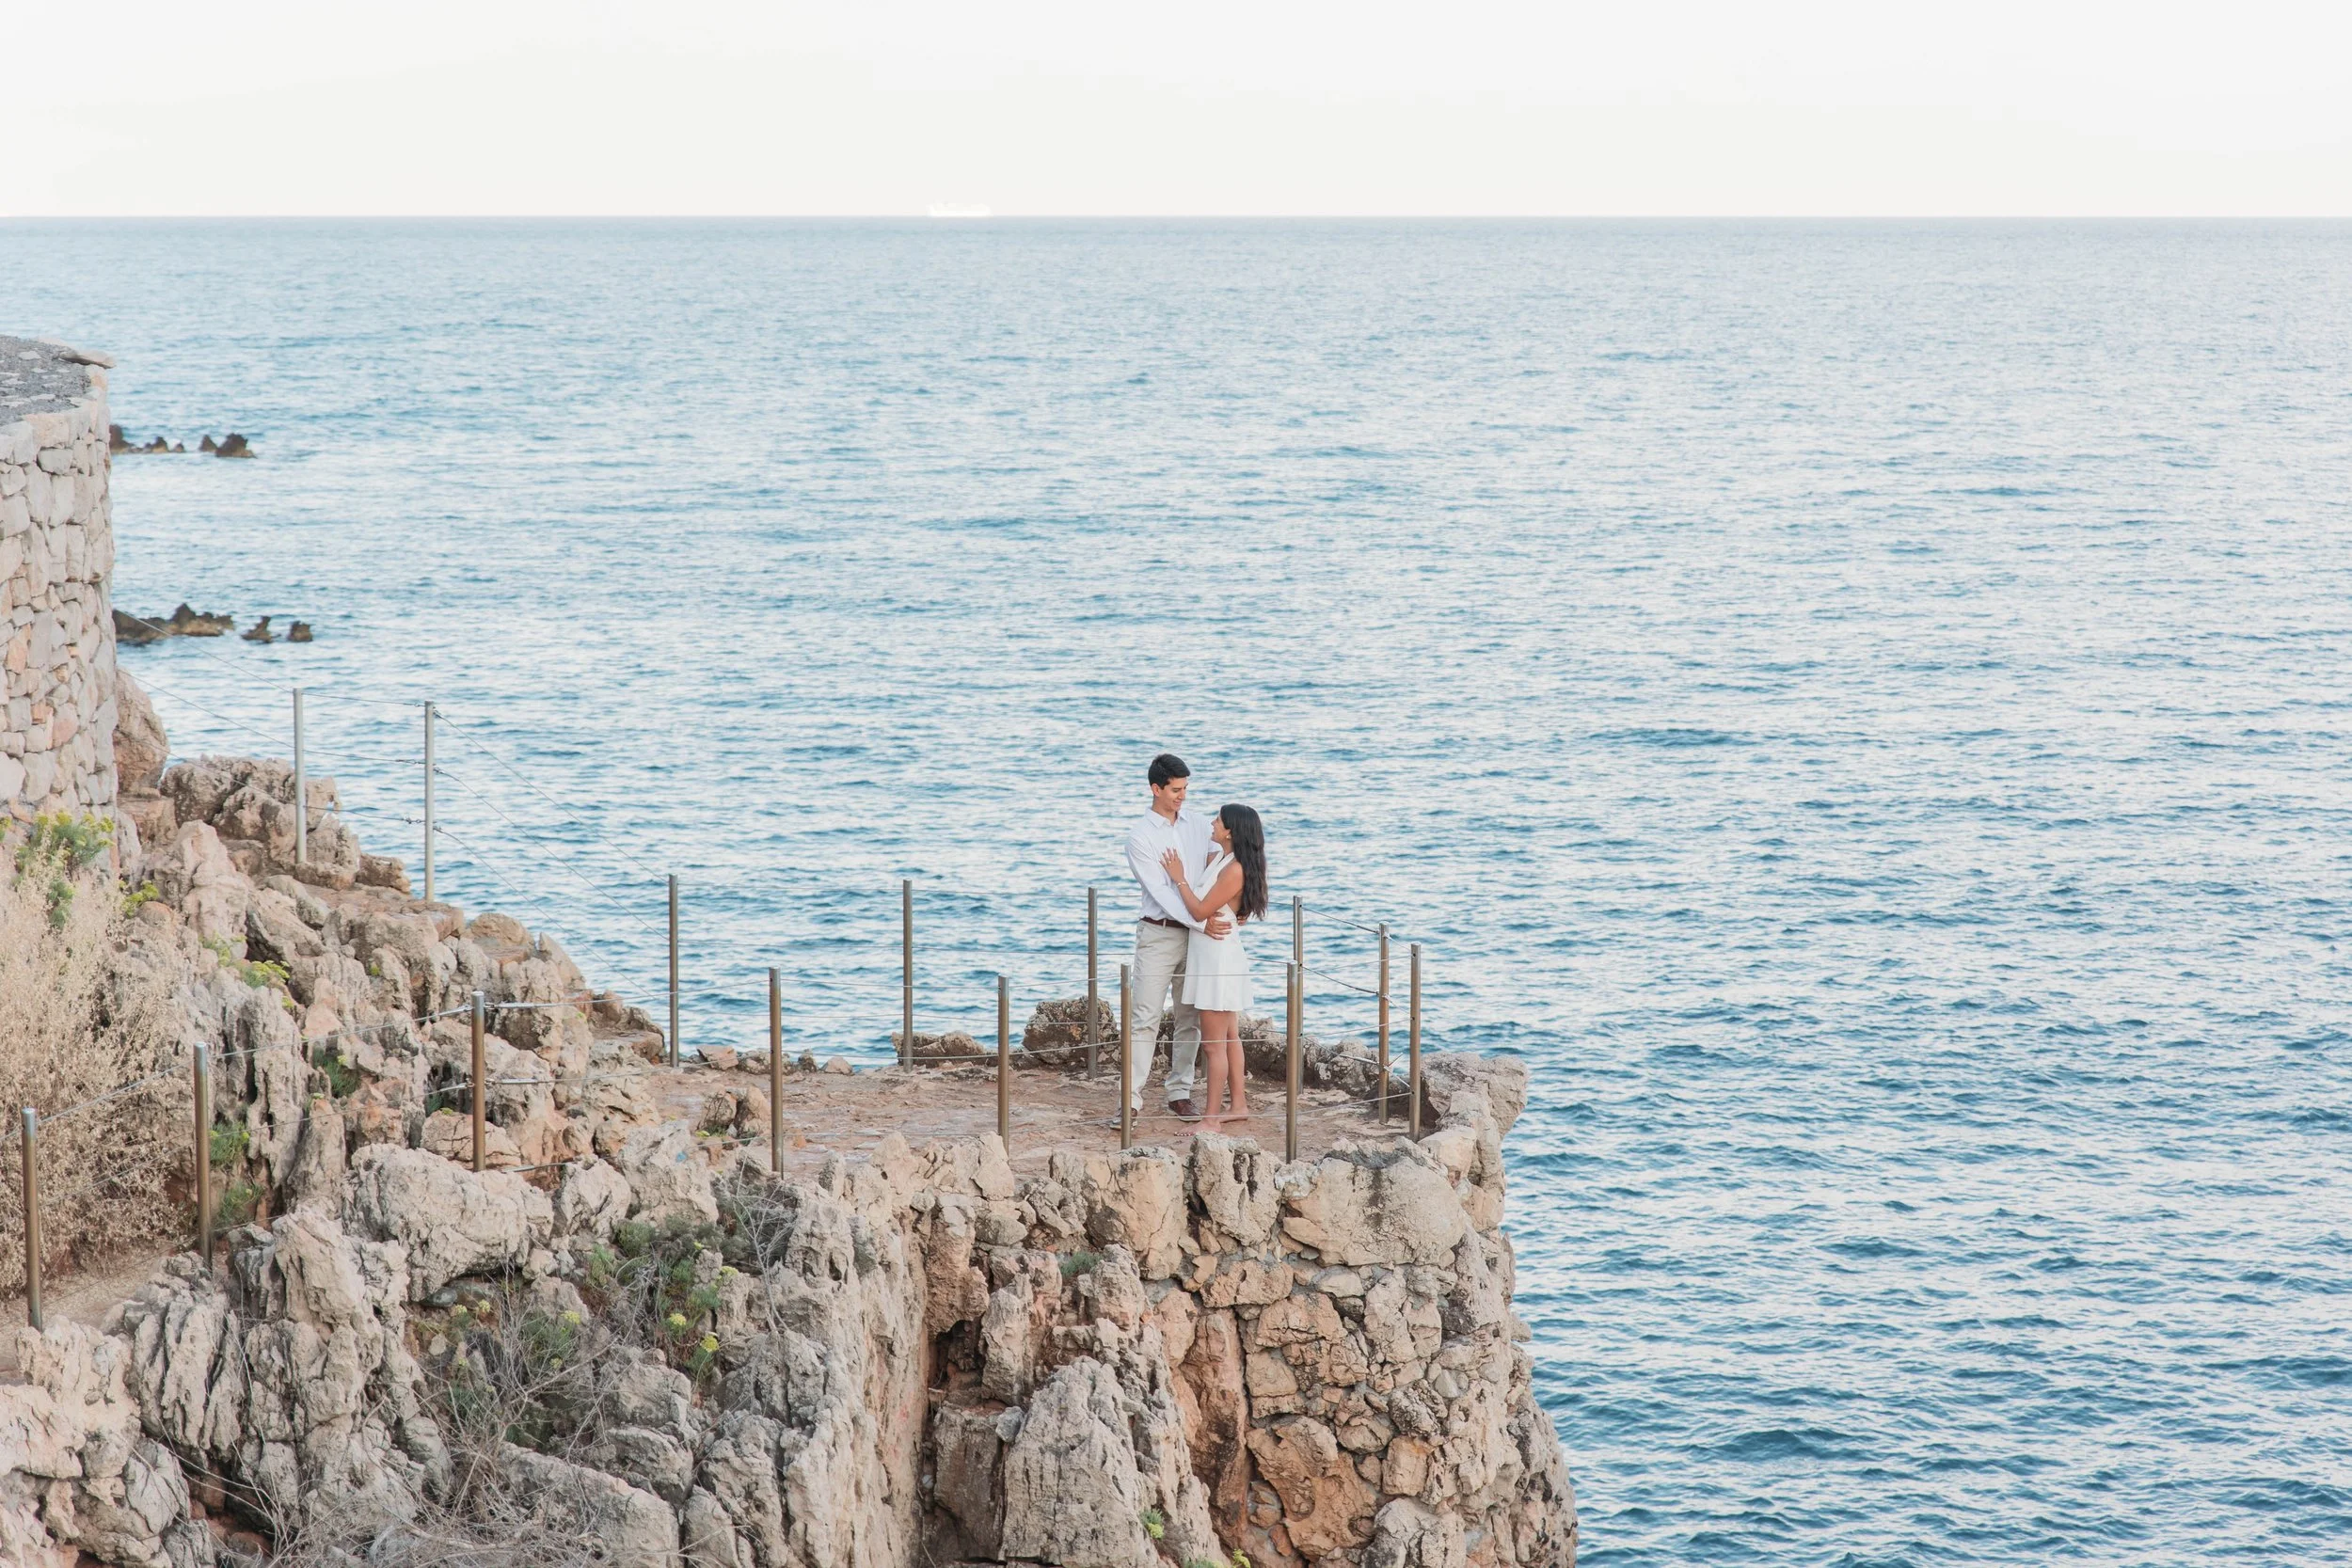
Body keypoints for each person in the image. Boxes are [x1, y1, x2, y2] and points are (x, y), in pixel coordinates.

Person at [1121, 753, 1232, 1120]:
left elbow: (1224, 861)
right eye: (1175, 790)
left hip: (1198, 937)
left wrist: (1233, 908)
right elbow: (1164, 894)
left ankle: (1180, 1092)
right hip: (1159, 934)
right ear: (1156, 789)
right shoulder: (1140, 837)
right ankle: (1131, 1101)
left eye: (1185, 789)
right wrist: (1202, 922)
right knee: (1145, 1016)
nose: (1182, 796)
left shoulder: (1198, 825)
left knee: (1190, 1017)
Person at [1159, 803, 1268, 1130]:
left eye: (1218, 820)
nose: (1212, 822)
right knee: (1230, 1036)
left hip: (1218, 960)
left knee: (1213, 1045)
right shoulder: (1224, 859)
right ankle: (1238, 1104)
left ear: (1232, 830)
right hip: (1211, 955)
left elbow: (1200, 911)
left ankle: (1211, 1118)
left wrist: (1178, 879)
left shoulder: (1234, 869)